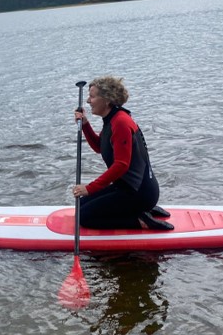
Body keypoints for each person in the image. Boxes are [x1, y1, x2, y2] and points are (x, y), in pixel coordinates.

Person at [71, 76, 173, 230]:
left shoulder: (120, 122)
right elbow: (100, 147)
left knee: (84, 217)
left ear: (106, 100)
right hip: (127, 187)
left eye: (92, 96)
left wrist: (90, 188)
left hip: (140, 193)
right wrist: (85, 124)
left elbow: (121, 165)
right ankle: (139, 210)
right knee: (82, 205)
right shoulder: (112, 119)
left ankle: (140, 220)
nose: (88, 101)